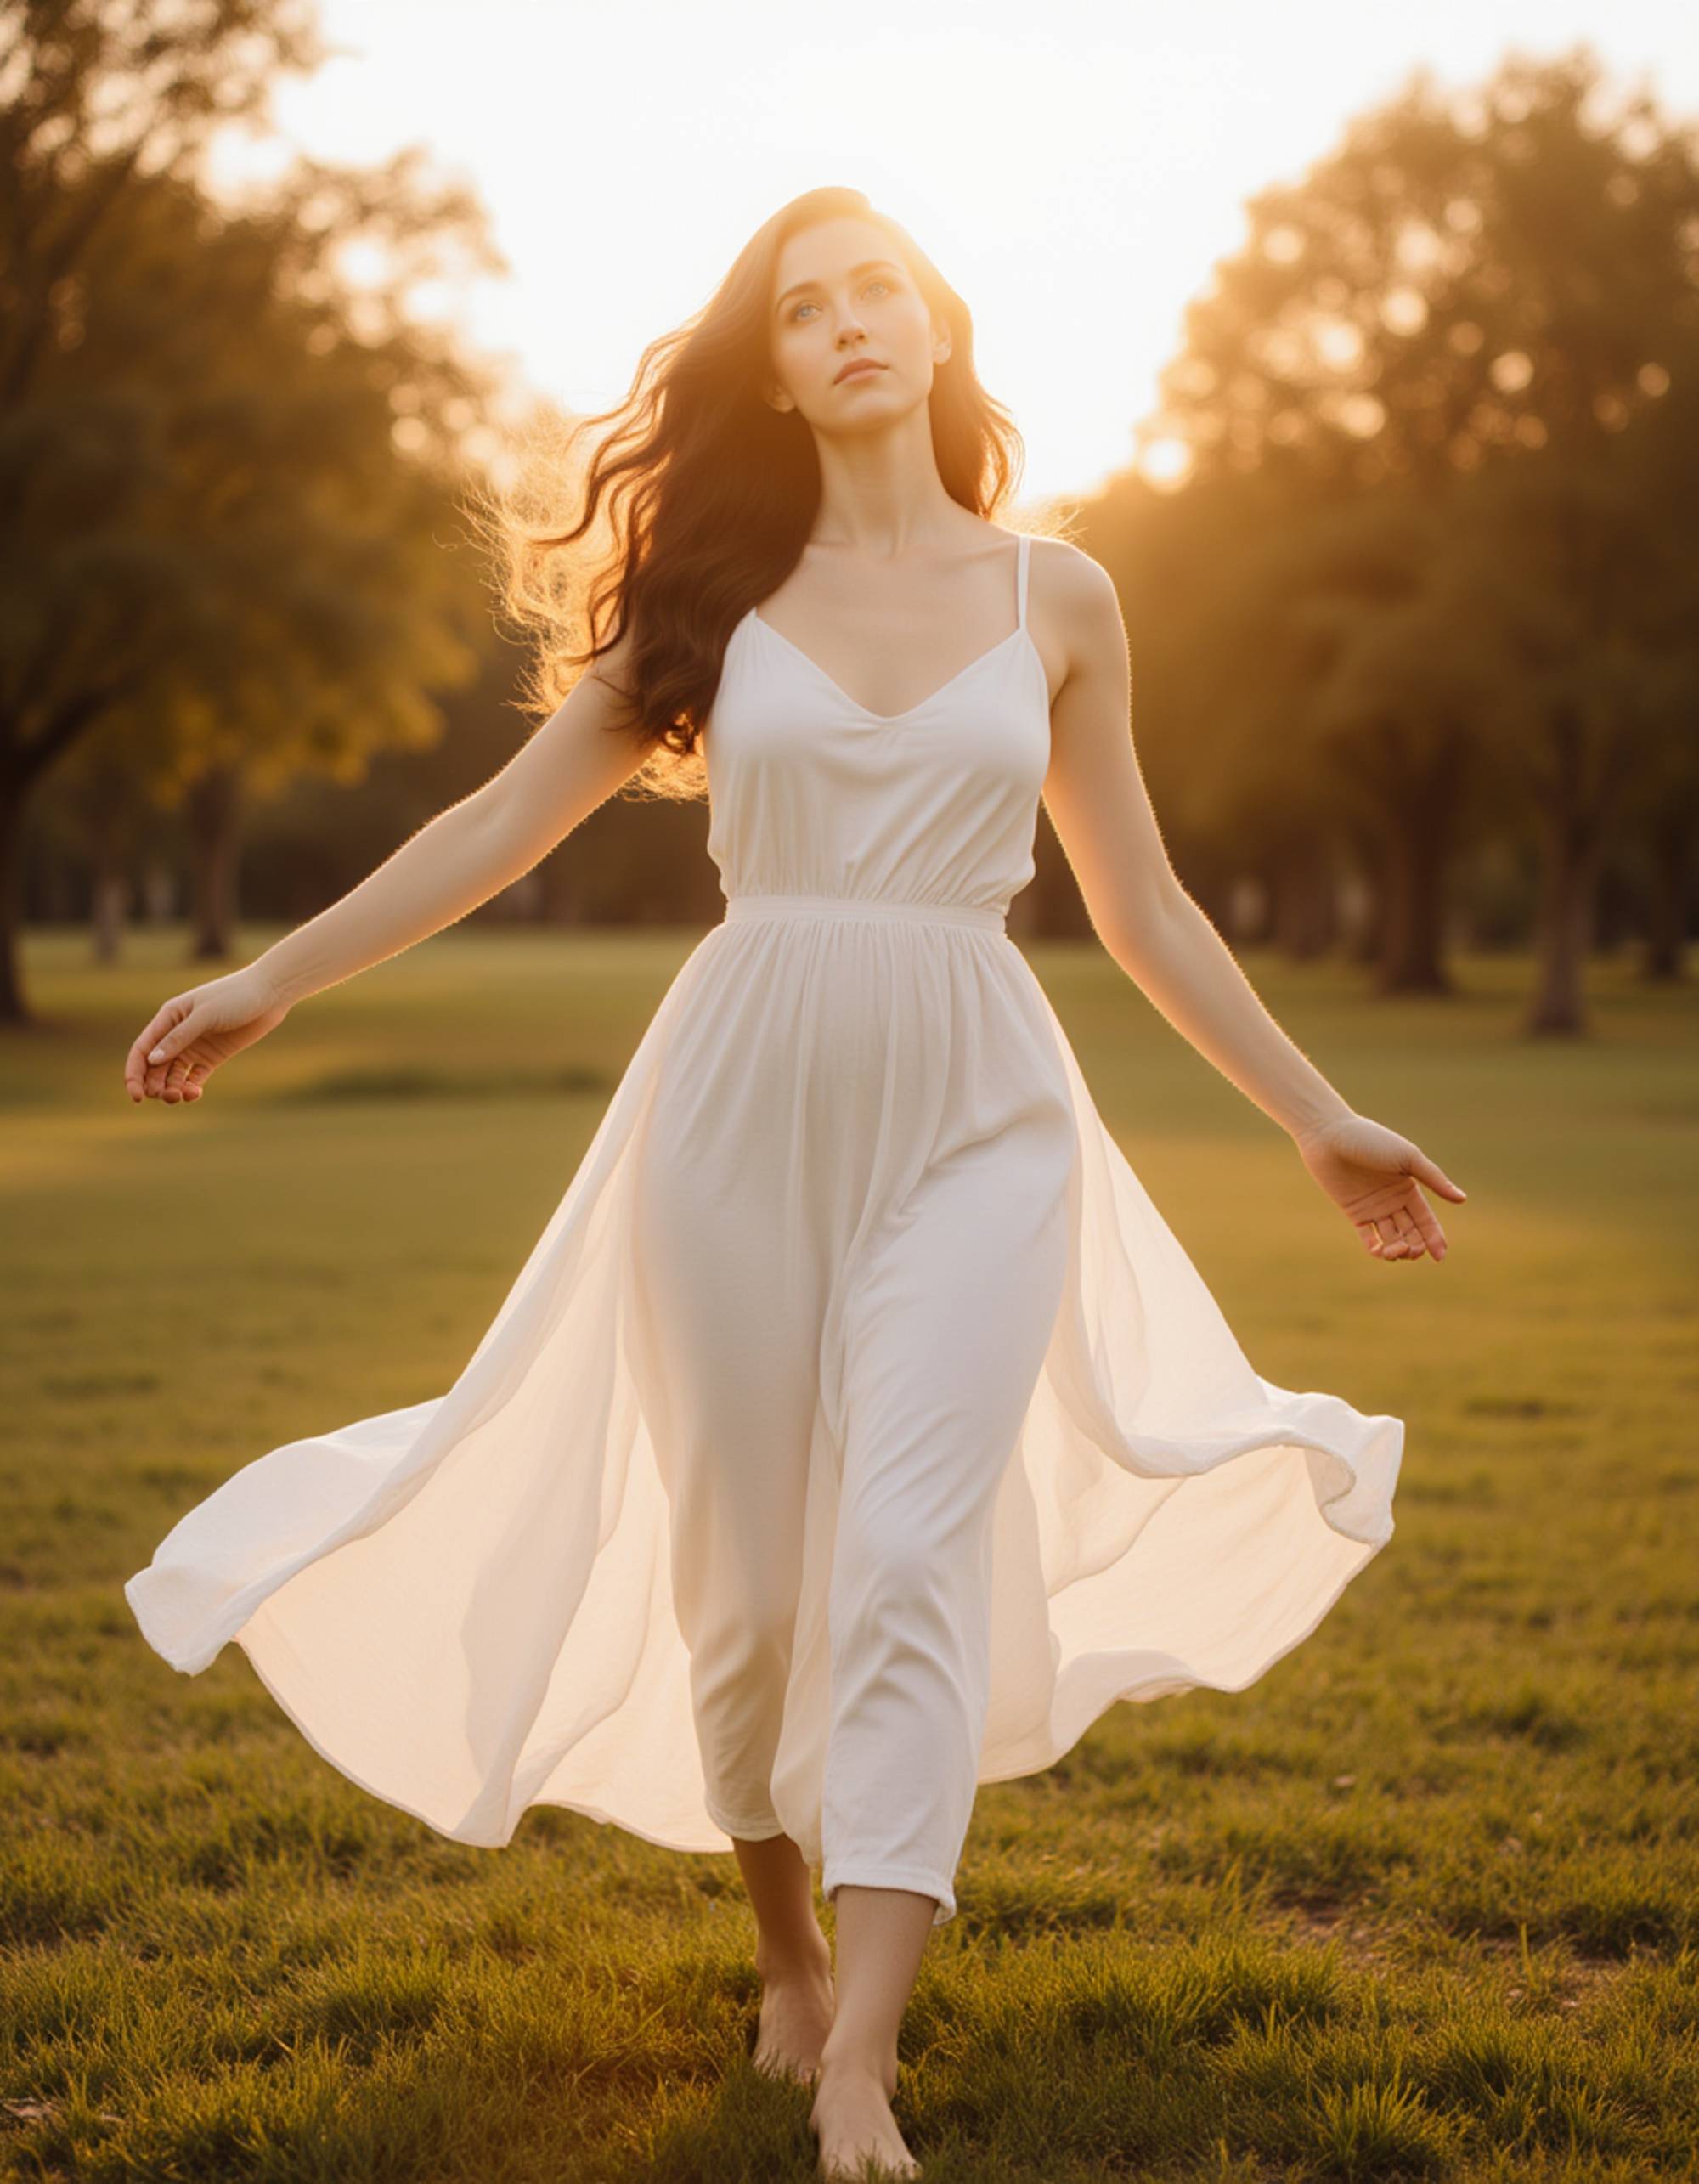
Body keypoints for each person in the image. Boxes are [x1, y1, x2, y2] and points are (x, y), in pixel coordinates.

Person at [122, 186, 1465, 2181]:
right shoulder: (715, 598)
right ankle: (781, 1950)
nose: (850, 322)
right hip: (737, 1100)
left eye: (881, 291)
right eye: (808, 305)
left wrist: (1312, 1109)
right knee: (746, 1591)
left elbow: (1143, 900)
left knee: (910, 1546)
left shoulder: (1059, 596)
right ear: (771, 361)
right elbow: (498, 818)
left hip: (977, 1106)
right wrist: (269, 976)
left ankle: (867, 2052)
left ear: (936, 328)